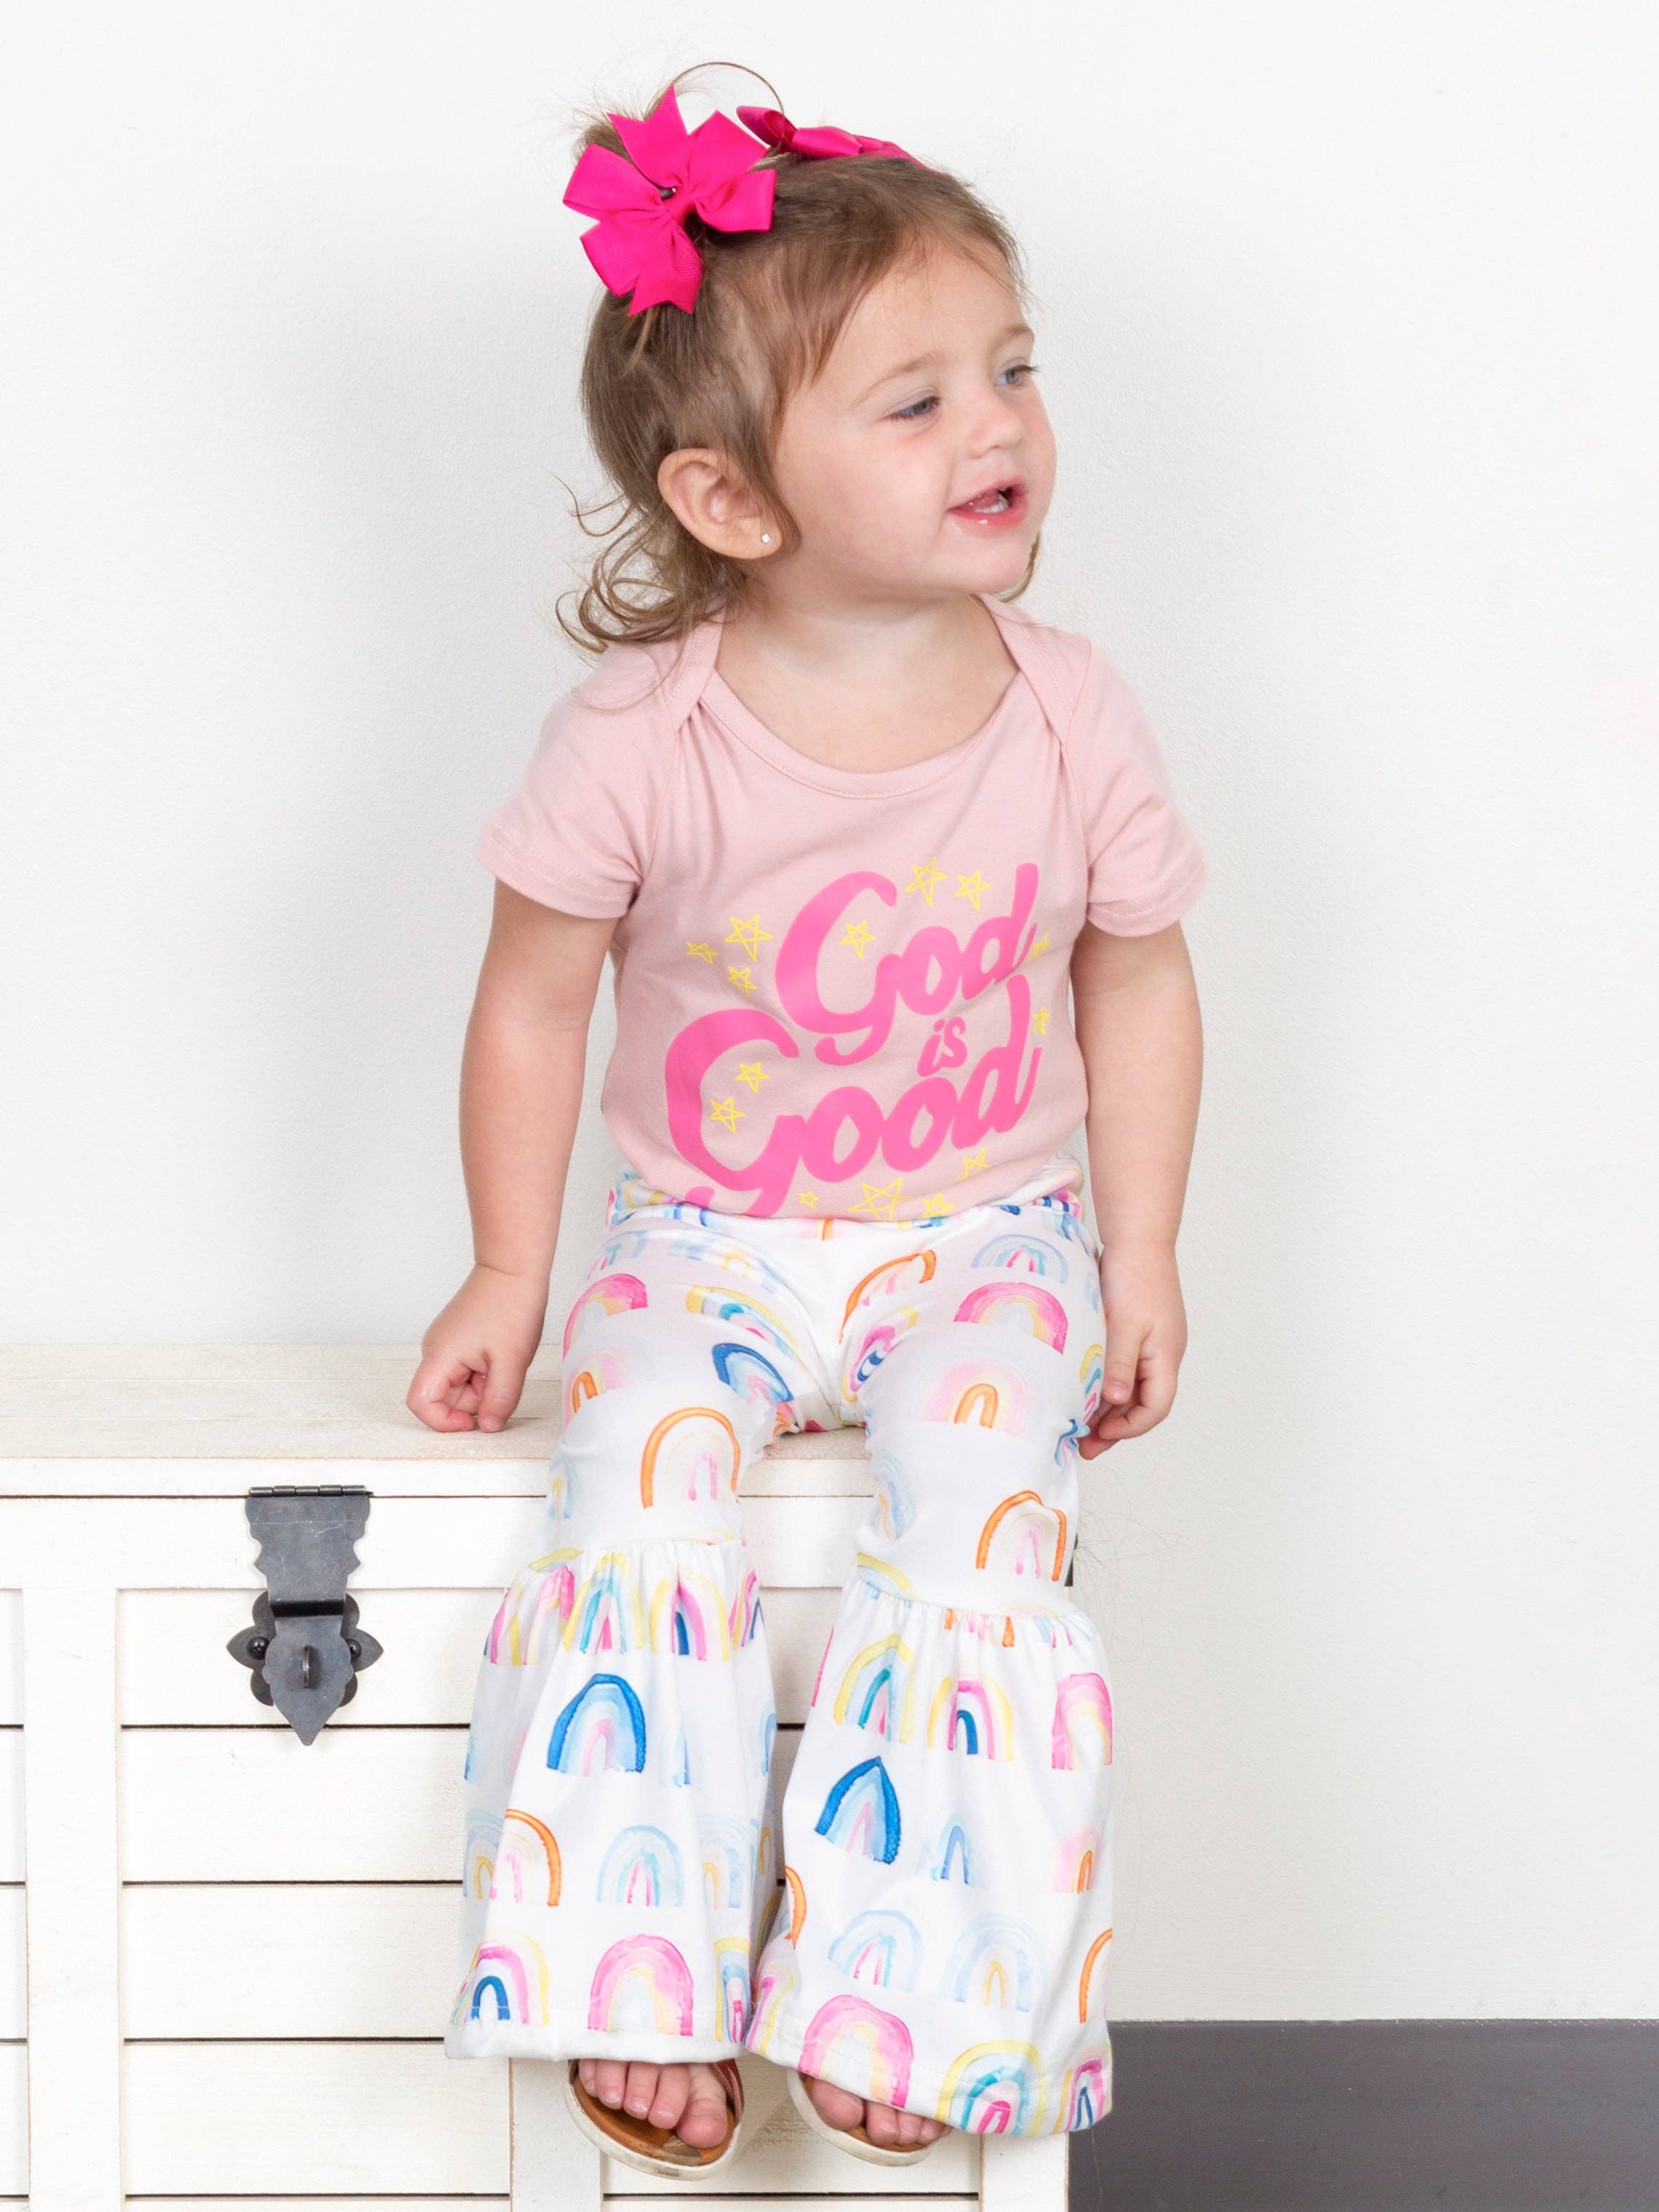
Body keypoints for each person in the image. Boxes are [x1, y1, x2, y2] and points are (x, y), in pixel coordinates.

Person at [412, 65, 1207, 2173]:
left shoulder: (1069, 711)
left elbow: (1136, 970)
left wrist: (1137, 1250)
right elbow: (534, 996)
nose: (998, 427)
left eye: (1010, 370)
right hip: (705, 1241)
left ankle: (908, 1982)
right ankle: (631, 1961)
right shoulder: (640, 735)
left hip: (993, 1238)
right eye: (915, 400)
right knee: (638, 1481)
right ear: (733, 499)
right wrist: (509, 1265)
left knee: (981, 1511)